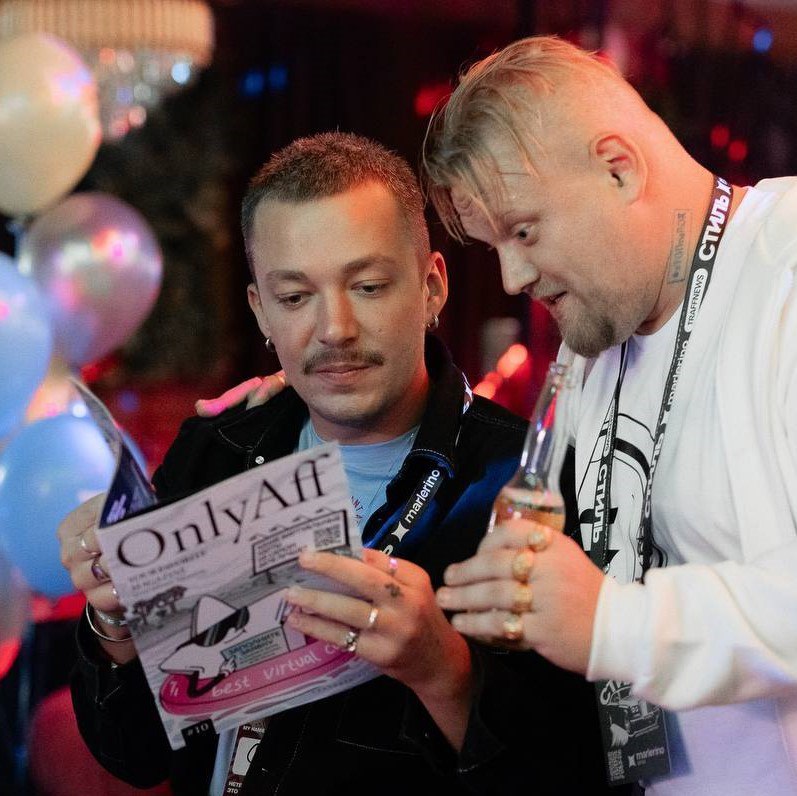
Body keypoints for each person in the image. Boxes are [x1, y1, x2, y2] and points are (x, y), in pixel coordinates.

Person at [59, 132, 616, 795]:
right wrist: (113, 619)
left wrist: (444, 671)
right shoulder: (217, 448)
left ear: (432, 287)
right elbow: (135, 754)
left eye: (369, 285)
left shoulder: (525, 482)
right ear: (261, 311)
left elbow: (572, 773)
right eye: (295, 297)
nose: (335, 329)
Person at [417, 35, 797, 795]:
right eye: (495, 246)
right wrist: (304, 397)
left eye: (523, 231)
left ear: (618, 168)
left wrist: (611, 623)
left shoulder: (783, 270)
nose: (512, 275)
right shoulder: (596, 338)